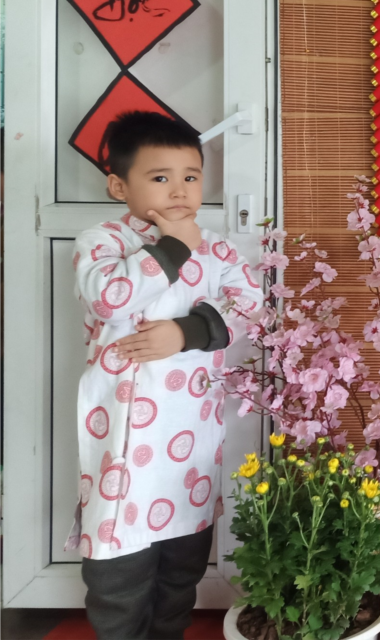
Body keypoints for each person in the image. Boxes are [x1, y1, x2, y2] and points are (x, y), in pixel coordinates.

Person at [68, 111, 261, 640]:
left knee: (182, 567)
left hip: (189, 443)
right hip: (124, 445)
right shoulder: (104, 241)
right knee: (118, 569)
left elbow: (251, 308)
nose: (179, 190)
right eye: (160, 177)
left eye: (191, 176)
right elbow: (110, 299)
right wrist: (173, 245)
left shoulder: (218, 249)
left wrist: (187, 333)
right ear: (119, 185)